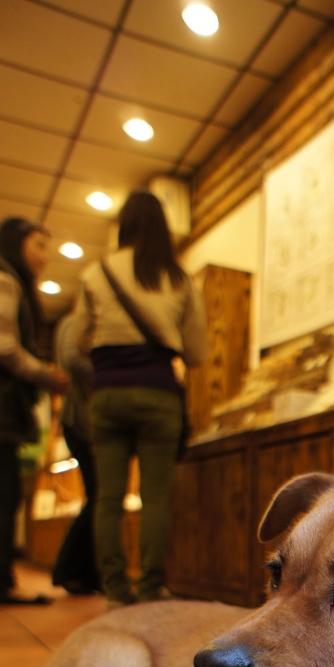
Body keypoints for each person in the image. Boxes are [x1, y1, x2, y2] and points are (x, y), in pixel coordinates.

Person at [71, 190, 206, 607]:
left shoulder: (97, 274)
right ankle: (149, 587)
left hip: (108, 394)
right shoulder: (178, 278)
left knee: (107, 498)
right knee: (155, 498)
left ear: (124, 225)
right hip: (158, 394)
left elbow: (76, 341)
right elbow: (197, 352)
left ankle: (114, 589)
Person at [0, 218, 68, 605]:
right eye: (39, 245)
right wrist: (47, 375)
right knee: (4, 493)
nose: (45, 256)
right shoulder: (6, 280)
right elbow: (5, 347)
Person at [51, 312, 99, 595]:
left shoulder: (77, 323)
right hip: (82, 422)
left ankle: (82, 571)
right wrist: (110, 374)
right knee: (99, 496)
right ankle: (69, 568)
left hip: (85, 421)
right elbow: (71, 360)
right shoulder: (76, 322)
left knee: (98, 496)